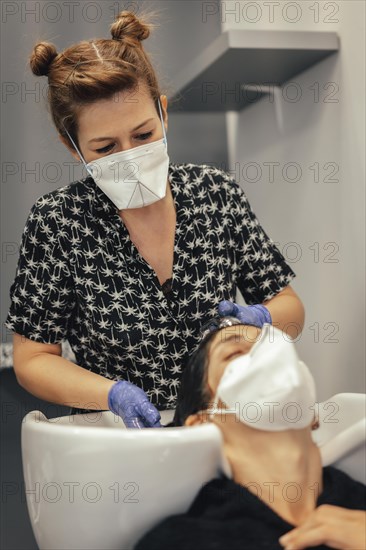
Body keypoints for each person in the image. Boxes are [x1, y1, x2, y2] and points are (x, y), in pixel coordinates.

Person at [5, 8, 304, 428]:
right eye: (105, 147)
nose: (129, 157)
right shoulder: (58, 223)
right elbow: (33, 358)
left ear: (163, 113)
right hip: (116, 439)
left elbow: (288, 305)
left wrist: (266, 322)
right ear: (72, 147)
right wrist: (110, 394)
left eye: (143, 135)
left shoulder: (214, 193)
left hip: (227, 427)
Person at [135, 320, 366, 550]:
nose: (271, 358)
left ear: (313, 414)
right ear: (203, 423)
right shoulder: (183, 541)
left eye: (275, 349)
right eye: (236, 353)